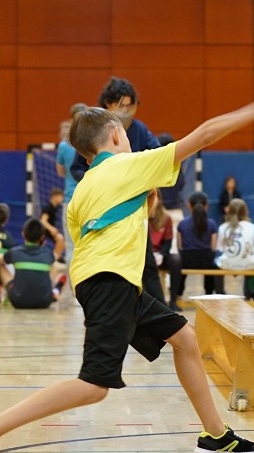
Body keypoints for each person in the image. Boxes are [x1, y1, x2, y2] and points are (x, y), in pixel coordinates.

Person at [0, 77, 254, 453]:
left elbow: (101, 235)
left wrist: (142, 208)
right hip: (112, 283)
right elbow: (205, 134)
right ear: (114, 135)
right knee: (93, 386)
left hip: (106, 281)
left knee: (185, 339)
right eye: (125, 133)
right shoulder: (131, 165)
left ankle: (216, 435)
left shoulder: (82, 190)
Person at [69, 77, 166, 305]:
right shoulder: (94, 131)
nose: (126, 110)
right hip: (104, 210)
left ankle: (160, 310)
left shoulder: (140, 130)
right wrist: (102, 181)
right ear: (108, 104)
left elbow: (159, 155)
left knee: (148, 262)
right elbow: (75, 167)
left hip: (133, 208)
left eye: (129, 105)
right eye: (120, 105)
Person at [0, 218, 66, 309]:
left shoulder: (15, 252)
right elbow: (60, 244)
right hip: (45, 302)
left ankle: (2, 292)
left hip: (18, 301)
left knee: (1, 264)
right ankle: (57, 289)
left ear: (23, 233)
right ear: (42, 237)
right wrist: (57, 234)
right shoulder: (48, 254)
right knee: (54, 267)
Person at [55, 103, 88, 279]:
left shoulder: (64, 146)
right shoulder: (93, 141)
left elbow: (60, 172)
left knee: (70, 245)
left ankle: (74, 289)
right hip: (90, 199)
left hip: (70, 199)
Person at [178, 192, 224, 295]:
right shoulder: (212, 223)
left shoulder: (182, 224)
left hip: (187, 261)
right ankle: (209, 293)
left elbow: (179, 246)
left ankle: (178, 293)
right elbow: (213, 247)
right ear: (206, 206)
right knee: (213, 264)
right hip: (206, 261)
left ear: (189, 205)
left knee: (179, 265)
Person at [149, 189, 183, 311]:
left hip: (160, 254)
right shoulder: (140, 216)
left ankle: (173, 301)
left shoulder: (166, 218)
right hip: (145, 254)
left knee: (176, 260)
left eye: (155, 197)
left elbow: (168, 242)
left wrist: (162, 254)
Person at [215, 198, 254, 271]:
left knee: (216, 261)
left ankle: (217, 283)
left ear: (229, 211)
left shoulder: (223, 227)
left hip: (227, 264)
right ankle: (248, 283)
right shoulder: (252, 227)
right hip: (249, 265)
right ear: (245, 211)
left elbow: (220, 248)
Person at [40, 187, 66, 263]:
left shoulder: (55, 207)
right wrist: (51, 229)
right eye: (61, 196)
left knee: (61, 240)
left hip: (49, 231)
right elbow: (43, 221)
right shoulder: (48, 207)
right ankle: (54, 259)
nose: (62, 199)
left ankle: (56, 257)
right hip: (44, 230)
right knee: (60, 238)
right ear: (55, 196)